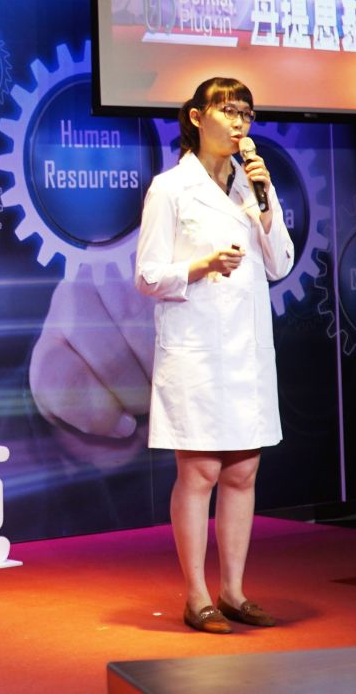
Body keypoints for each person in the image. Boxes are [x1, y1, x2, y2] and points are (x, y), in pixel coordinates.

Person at [134, 77, 294, 634]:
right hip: (196, 350)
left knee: (243, 470)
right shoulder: (170, 188)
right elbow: (147, 276)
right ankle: (196, 596)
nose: (239, 122)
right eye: (228, 111)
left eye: (246, 113)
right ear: (198, 117)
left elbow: (280, 264)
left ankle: (234, 591)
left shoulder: (254, 185)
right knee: (200, 470)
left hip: (246, 348)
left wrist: (267, 206)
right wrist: (201, 266)